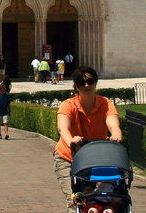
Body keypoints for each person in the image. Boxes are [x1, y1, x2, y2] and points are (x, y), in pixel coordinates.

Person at [53, 66, 124, 208]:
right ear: (76, 86)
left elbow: (113, 124)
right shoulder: (68, 105)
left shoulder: (105, 103)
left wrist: (116, 135)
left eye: (90, 81)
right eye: (81, 82)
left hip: (95, 159)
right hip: (69, 158)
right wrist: (71, 141)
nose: (86, 86)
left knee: (105, 198)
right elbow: (63, 128)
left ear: (95, 83)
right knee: (76, 201)